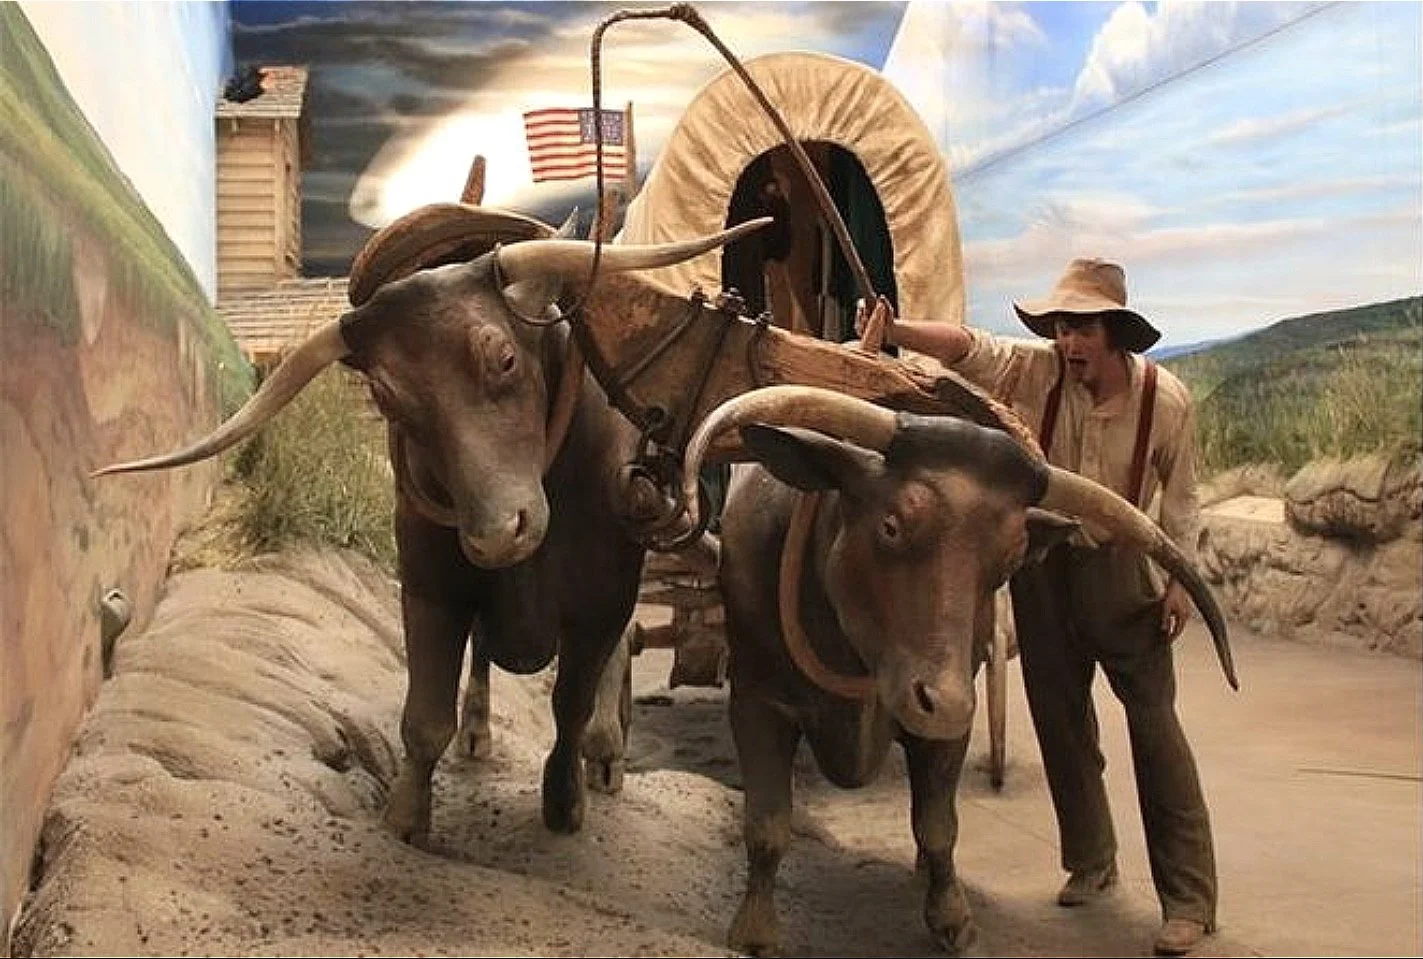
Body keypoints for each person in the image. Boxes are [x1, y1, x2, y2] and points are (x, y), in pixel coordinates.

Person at [858, 258, 1216, 956]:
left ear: (1114, 333)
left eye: (1081, 328)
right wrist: (896, 326)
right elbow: (969, 347)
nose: (1067, 342)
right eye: (1059, 326)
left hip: (1123, 574)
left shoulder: (1165, 402)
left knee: (1155, 728)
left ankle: (1190, 900)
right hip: (1044, 564)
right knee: (1058, 716)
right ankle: (1090, 860)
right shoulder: (1037, 371)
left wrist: (1179, 578)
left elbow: (1183, 497)